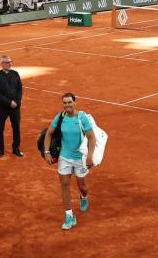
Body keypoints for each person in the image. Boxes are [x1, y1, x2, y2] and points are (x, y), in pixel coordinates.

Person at [43, 92, 96, 230]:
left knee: (82, 186)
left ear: (74, 102)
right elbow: (48, 133)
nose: (67, 105)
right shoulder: (60, 118)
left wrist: (90, 156)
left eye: (69, 102)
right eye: (65, 103)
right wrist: (46, 152)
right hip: (65, 157)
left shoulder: (82, 118)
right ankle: (69, 216)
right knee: (65, 185)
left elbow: (91, 137)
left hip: (80, 159)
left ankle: (83, 197)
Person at [0, 55, 23, 158]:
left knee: (16, 128)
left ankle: (16, 148)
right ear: (2, 64)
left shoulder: (15, 73)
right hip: (2, 108)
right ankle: (0, 150)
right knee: (0, 128)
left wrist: (17, 102)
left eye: (10, 61)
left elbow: (20, 89)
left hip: (15, 107)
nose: (10, 64)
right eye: (7, 62)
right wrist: (9, 102)